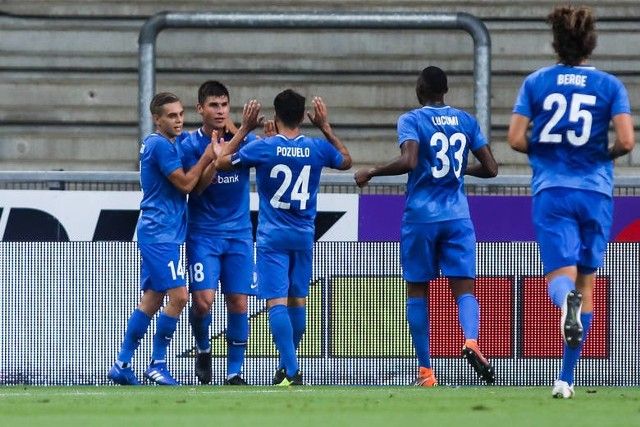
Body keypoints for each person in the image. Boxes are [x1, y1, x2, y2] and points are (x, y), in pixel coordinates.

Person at [507, 5, 634, 399]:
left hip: (553, 191)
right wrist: (600, 155)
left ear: (556, 43)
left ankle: (566, 308)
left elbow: (514, 138)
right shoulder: (611, 86)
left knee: (560, 279)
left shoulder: (536, 83)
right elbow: (628, 142)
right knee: (587, 282)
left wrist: (546, 152)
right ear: (590, 44)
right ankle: (565, 378)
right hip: (596, 192)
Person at [354, 66, 498, 387]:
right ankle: (472, 341)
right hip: (458, 216)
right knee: (464, 289)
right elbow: (491, 168)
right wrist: (459, 169)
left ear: (420, 89)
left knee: (418, 289)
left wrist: (371, 171)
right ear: (445, 90)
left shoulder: (412, 120)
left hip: (421, 216)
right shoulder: (466, 121)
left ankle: (426, 373)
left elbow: (409, 161)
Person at [214, 89, 352, 386]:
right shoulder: (317, 148)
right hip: (303, 235)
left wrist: (246, 130)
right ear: (304, 116)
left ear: (274, 117)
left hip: (272, 236)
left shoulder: (263, 148)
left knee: (276, 302)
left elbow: (222, 162)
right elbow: (346, 161)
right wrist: (326, 127)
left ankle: (292, 369)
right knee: (297, 300)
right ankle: (285, 368)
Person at [108, 92, 215, 386]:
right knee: (180, 297)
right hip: (160, 234)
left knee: (152, 300)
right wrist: (207, 157)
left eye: (181, 114)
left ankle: (121, 363)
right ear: (157, 118)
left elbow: (195, 142)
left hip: (161, 232)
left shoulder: (166, 143)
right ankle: (157, 362)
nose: (178, 120)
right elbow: (185, 185)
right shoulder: (160, 145)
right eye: (171, 115)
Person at [181, 80, 264, 385]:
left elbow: (268, 157)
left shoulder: (247, 141)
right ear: (200, 108)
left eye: (224, 105)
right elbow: (198, 188)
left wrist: (252, 134)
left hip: (239, 234)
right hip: (203, 234)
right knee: (203, 302)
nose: (219, 110)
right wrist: (238, 132)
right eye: (213, 105)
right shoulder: (189, 145)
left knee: (239, 303)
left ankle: (234, 371)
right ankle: (203, 348)